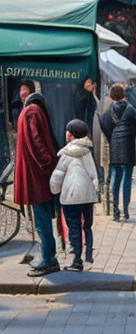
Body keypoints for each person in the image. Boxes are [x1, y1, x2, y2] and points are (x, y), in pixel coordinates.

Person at [14, 93, 59, 276]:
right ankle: (49, 257)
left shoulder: (29, 111)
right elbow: (37, 140)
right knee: (42, 218)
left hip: (36, 175)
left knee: (41, 219)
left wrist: (45, 161)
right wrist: (47, 161)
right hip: (39, 174)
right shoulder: (34, 111)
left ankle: (49, 259)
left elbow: (34, 140)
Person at [50, 120, 98, 272]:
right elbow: (93, 175)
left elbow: (57, 175)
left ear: (70, 135)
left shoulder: (66, 154)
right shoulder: (87, 153)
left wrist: (54, 190)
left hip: (70, 197)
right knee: (87, 226)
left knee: (74, 227)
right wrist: (95, 191)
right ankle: (88, 255)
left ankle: (76, 260)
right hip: (88, 197)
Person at [100, 83, 136, 221]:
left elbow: (103, 122)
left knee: (115, 177)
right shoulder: (130, 109)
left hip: (115, 145)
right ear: (123, 94)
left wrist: (112, 137)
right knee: (127, 178)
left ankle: (115, 211)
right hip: (128, 145)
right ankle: (126, 210)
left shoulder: (109, 110)